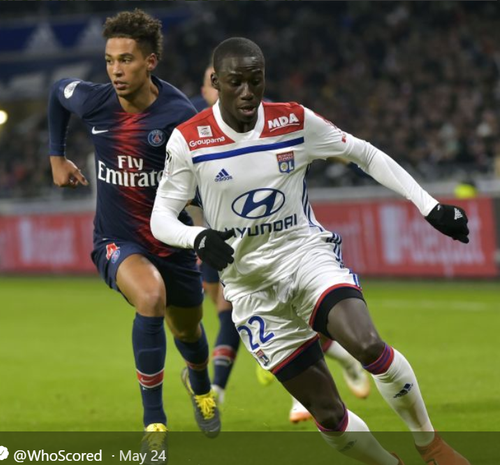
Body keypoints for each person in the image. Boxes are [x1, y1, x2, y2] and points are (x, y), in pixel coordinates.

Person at [151, 37, 470, 465]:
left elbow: (365, 154)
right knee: (328, 413)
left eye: (255, 81)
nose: (247, 92)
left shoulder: (293, 121)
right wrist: (198, 238)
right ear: (216, 82)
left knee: (369, 344)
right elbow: (161, 219)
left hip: (305, 257)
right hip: (251, 290)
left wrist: (429, 206)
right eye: (236, 82)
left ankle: (431, 447)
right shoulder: (189, 141)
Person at [47, 9, 220, 450]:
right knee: (149, 297)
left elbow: (200, 185)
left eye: (126, 60)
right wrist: (57, 157)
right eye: (109, 60)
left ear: (150, 62)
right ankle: (155, 425)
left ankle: (199, 386)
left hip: (169, 241)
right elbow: (56, 92)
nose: (116, 70)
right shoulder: (94, 101)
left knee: (189, 333)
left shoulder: (179, 116)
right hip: (116, 240)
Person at [191, 65, 371, 423]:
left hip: (271, 236)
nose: (218, 89)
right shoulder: (195, 130)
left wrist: (342, 154)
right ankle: (340, 357)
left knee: (247, 312)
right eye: (212, 82)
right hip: (219, 239)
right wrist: (196, 235)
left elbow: (311, 140)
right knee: (224, 310)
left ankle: (220, 393)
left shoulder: (262, 116)